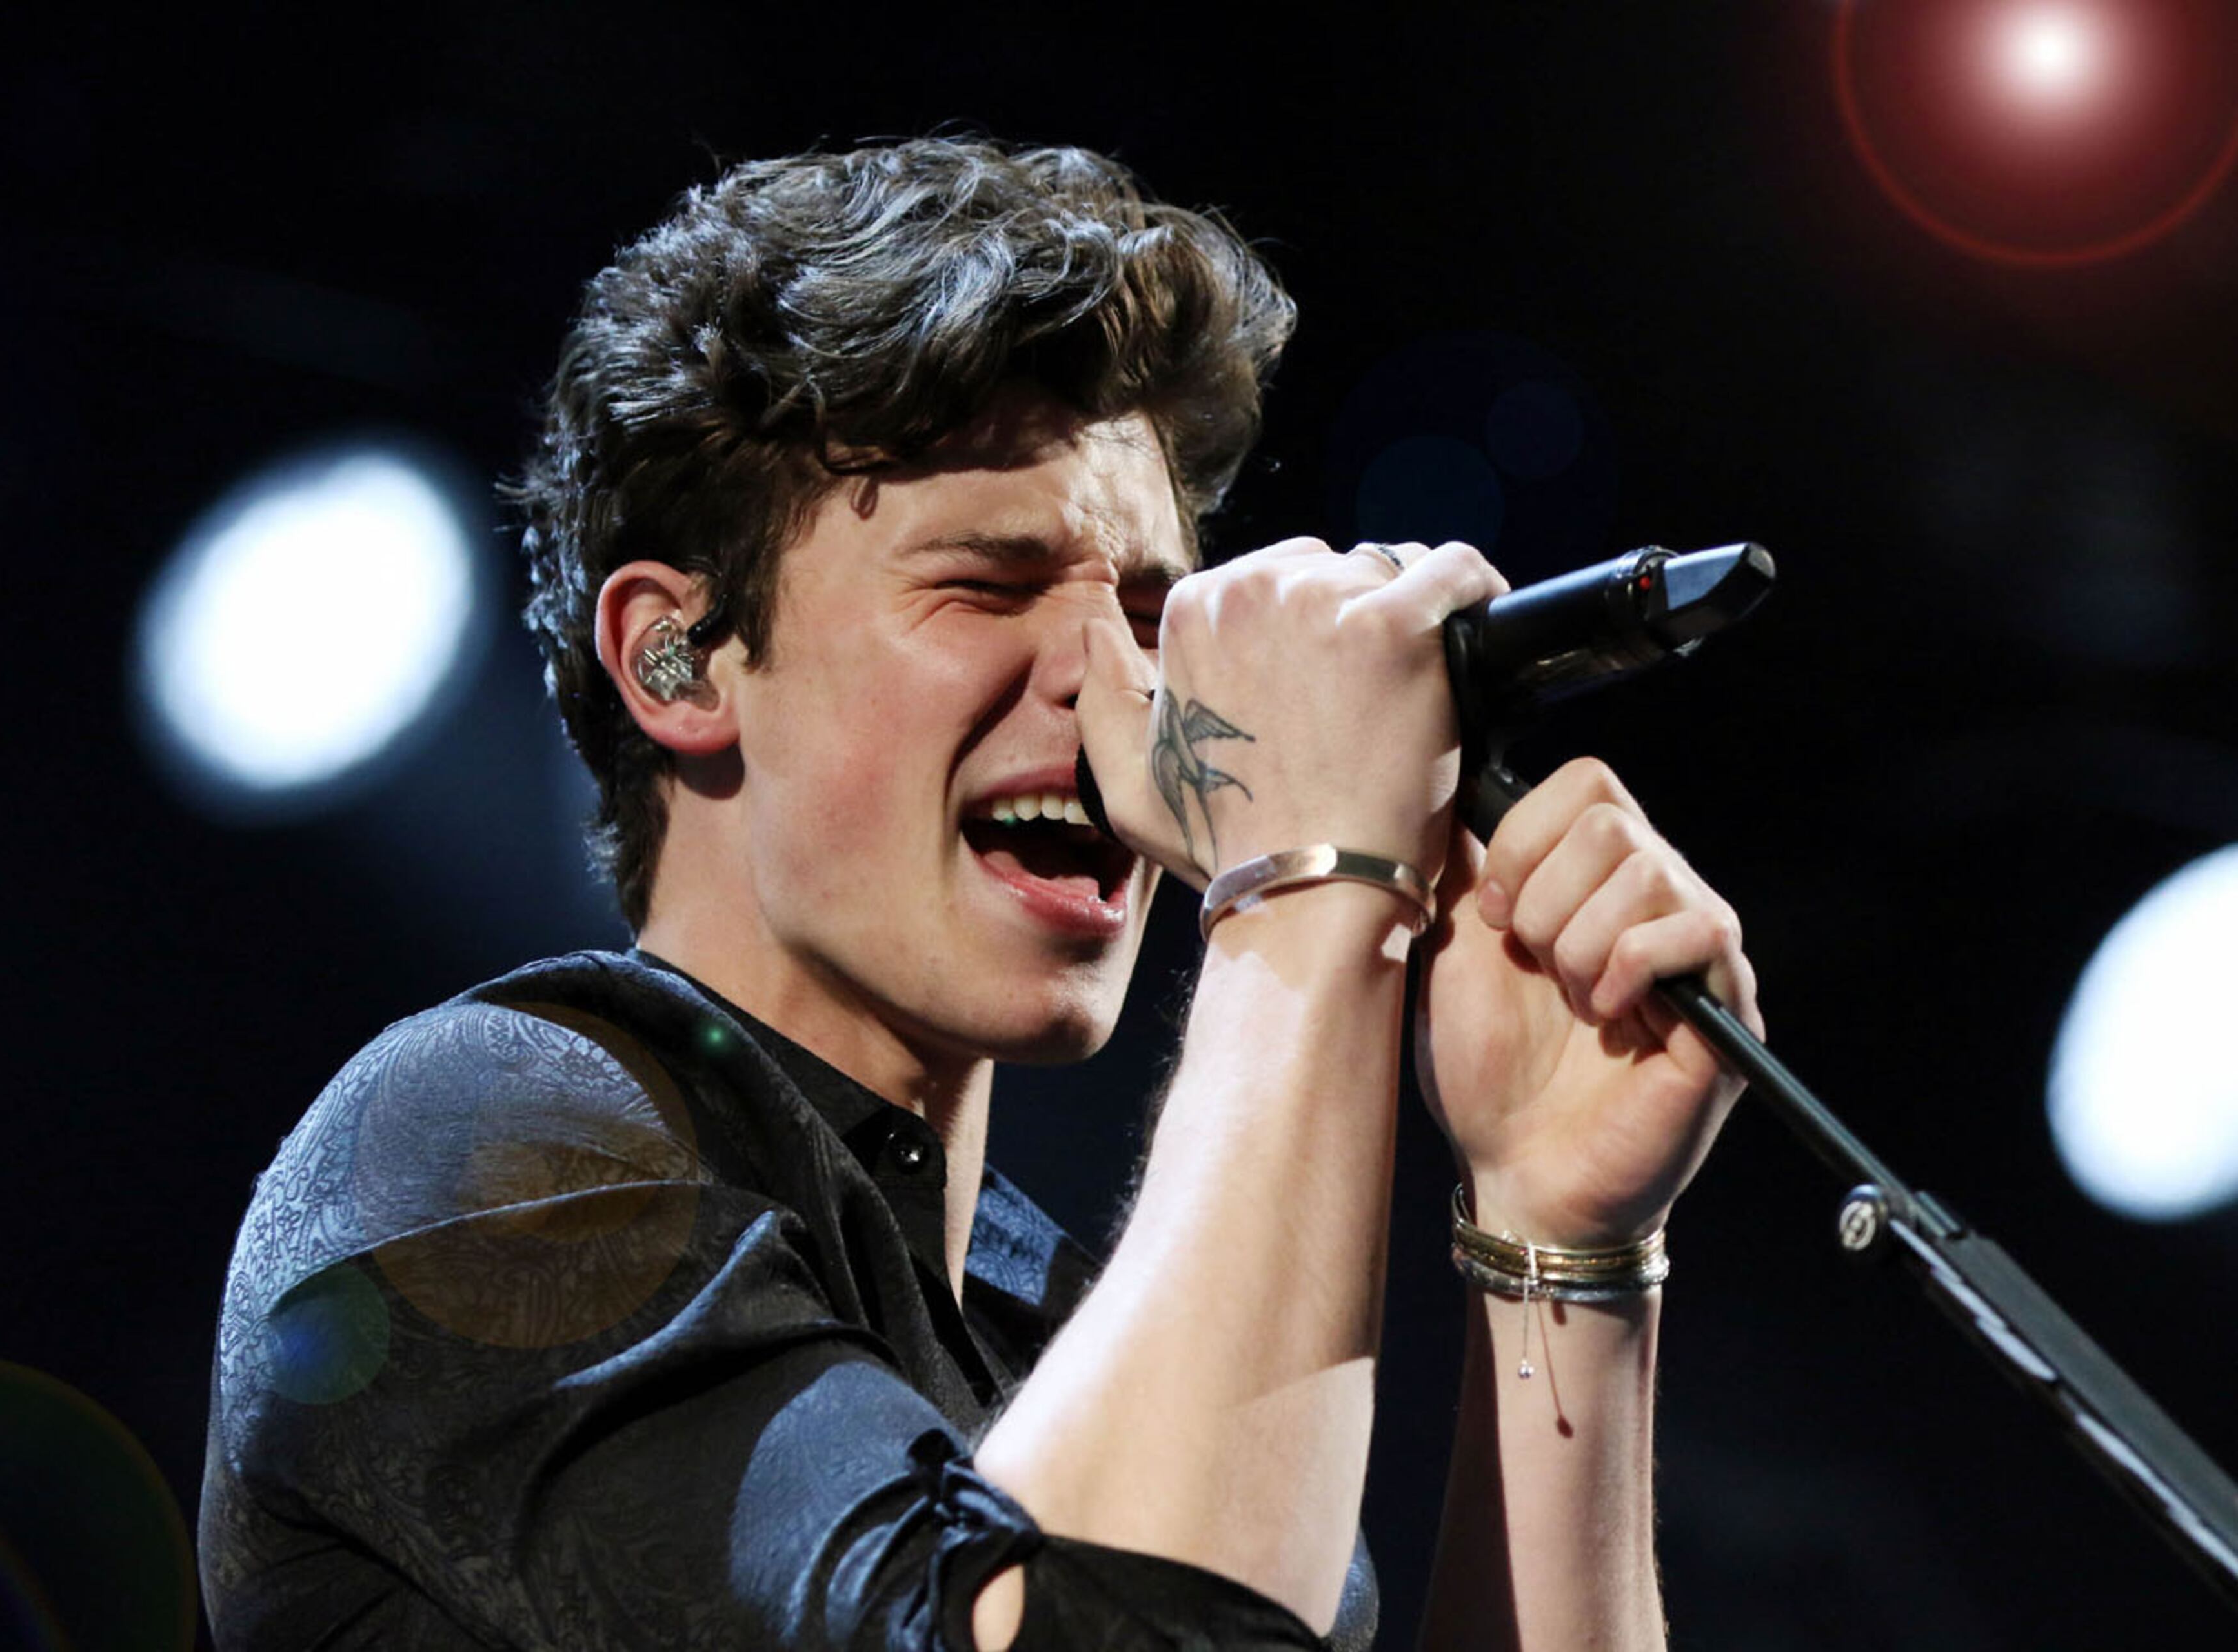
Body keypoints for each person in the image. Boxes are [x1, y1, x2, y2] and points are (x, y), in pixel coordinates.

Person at [199, 137, 1760, 1649]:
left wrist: (1563, 1245)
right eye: (990, 584)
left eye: (1152, 614)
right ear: (678, 661)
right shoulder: (488, 1143)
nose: (1116, 692)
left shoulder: (1072, 1330)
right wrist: (1310, 884)